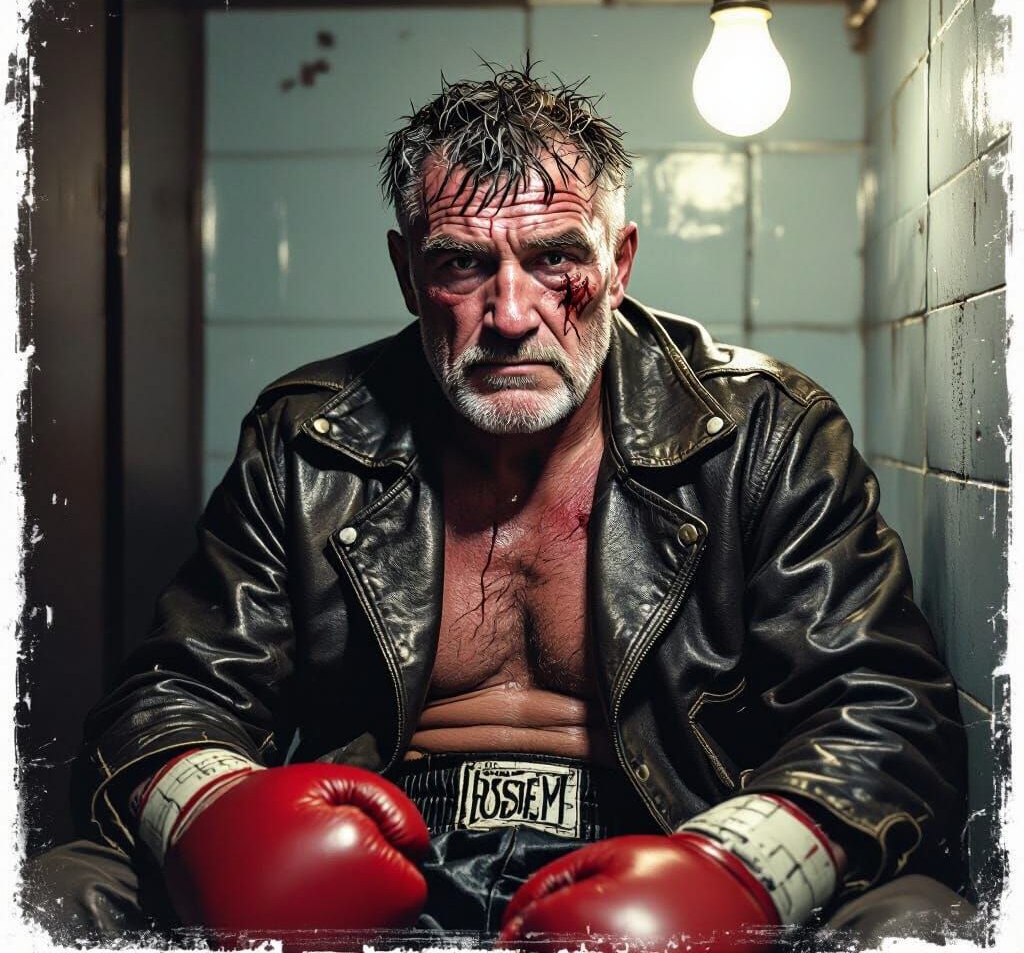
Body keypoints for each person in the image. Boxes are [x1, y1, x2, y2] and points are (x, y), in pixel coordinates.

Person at [22, 64, 974, 952]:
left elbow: (886, 713)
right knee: (65, 893)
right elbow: (171, 694)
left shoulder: (763, 431)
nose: (512, 313)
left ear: (622, 261)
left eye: (557, 258)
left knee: (922, 921)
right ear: (407, 273)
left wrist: (741, 866)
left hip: (669, 835)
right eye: (463, 265)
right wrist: (217, 810)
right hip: (374, 861)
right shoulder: (311, 440)